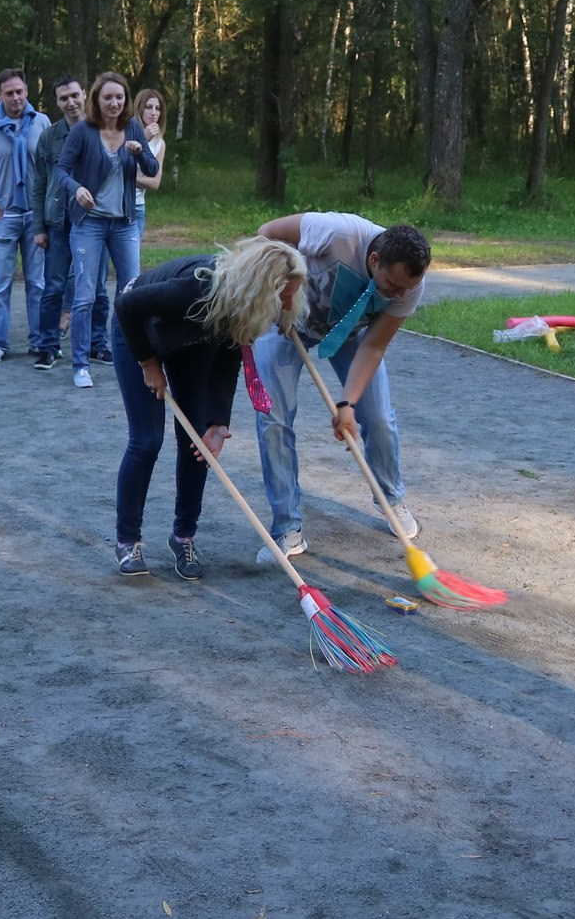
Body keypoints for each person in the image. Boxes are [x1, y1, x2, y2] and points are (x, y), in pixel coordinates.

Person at [108, 238, 307, 580]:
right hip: (138, 332)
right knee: (146, 440)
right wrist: (148, 363)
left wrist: (217, 422)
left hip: (189, 343)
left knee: (197, 443)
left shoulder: (243, 308)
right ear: (262, 288)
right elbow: (128, 306)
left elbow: (227, 362)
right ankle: (128, 540)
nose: (288, 303)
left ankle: (183, 536)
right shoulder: (199, 287)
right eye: (284, 295)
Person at [248, 214, 432, 560]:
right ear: (374, 260)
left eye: (405, 288)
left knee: (377, 417)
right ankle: (287, 527)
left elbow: (374, 346)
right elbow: (267, 233)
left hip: (349, 332)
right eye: (392, 285)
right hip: (285, 320)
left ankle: (390, 498)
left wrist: (347, 403)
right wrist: (274, 291)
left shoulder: (409, 286)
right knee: (273, 419)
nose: (398, 294)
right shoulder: (336, 233)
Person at [55, 72, 156, 390]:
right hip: (90, 223)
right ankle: (81, 365)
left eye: (120, 97)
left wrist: (140, 152)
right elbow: (60, 170)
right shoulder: (84, 131)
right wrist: (76, 189)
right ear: (96, 99)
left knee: (131, 293)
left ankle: (134, 359)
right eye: (108, 97)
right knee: (85, 294)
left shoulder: (133, 128)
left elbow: (153, 170)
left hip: (124, 222)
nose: (115, 103)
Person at [0, 69, 50, 365]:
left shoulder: (41, 122)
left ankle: (41, 340)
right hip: (4, 215)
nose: (15, 98)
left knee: (37, 282)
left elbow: (51, 167)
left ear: (27, 91)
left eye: (20, 91)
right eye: (9, 93)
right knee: (0, 283)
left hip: (35, 216)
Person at [27, 75, 85, 371]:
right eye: (64, 98)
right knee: (54, 286)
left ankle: (95, 345)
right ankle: (48, 346)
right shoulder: (49, 137)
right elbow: (39, 183)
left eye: (75, 95)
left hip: (92, 222)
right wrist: (38, 227)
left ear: (84, 95)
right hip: (57, 221)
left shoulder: (100, 131)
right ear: (57, 102)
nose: (71, 102)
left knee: (95, 287)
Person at [131, 86, 169, 255]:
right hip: (115, 205)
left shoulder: (160, 143)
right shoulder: (125, 131)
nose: (154, 112)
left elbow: (154, 183)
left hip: (138, 207)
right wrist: (143, 138)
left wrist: (127, 177)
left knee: (131, 265)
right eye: (148, 107)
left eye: (158, 108)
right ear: (139, 108)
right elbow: (113, 165)